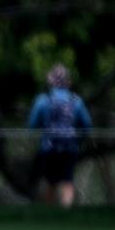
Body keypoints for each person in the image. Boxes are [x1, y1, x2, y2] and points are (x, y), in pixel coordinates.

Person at [27, 64, 92, 208]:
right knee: (68, 181)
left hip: (48, 147)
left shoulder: (43, 100)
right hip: (70, 146)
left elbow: (32, 124)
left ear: (51, 81)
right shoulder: (76, 101)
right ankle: (65, 211)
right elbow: (87, 124)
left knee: (50, 182)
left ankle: (50, 214)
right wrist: (79, 140)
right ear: (68, 82)